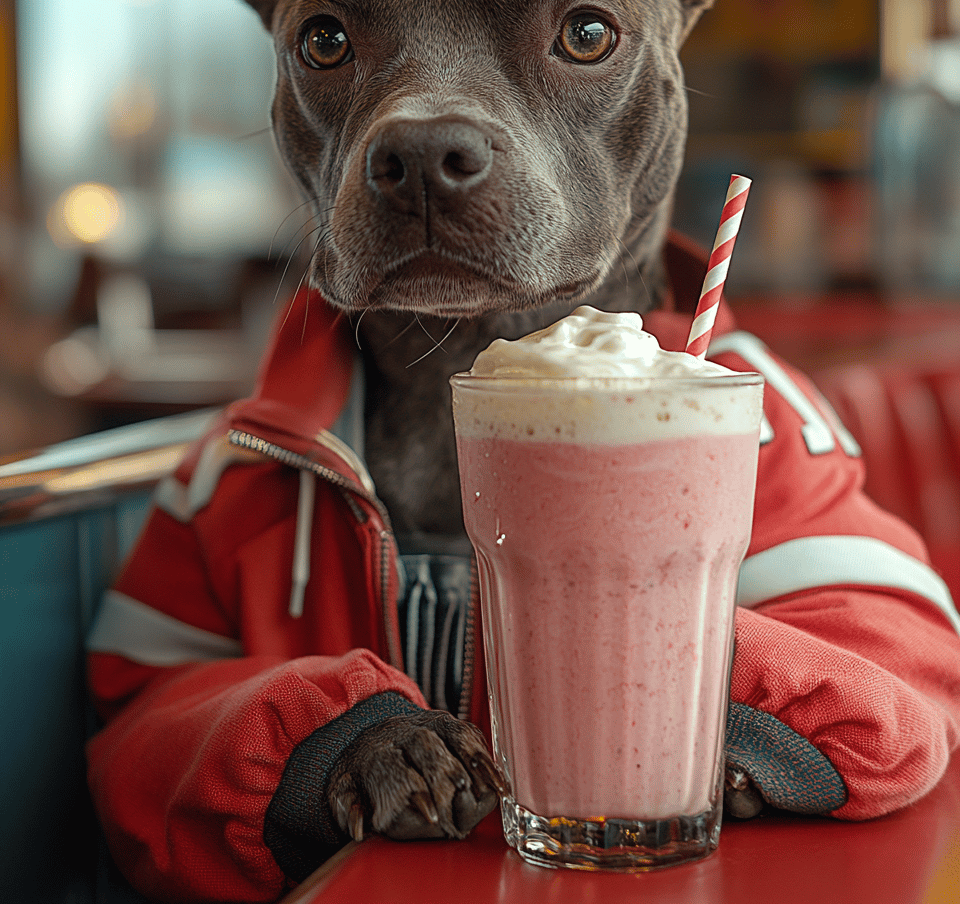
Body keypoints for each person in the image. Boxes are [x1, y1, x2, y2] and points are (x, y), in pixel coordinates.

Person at [87, 236, 960, 903]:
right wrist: (321, 749)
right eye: (332, 42)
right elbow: (134, 717)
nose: (432, 118)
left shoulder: (742, 414)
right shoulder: (244, 465)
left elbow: (903, 663)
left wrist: (705, 705)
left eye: (583, 34)